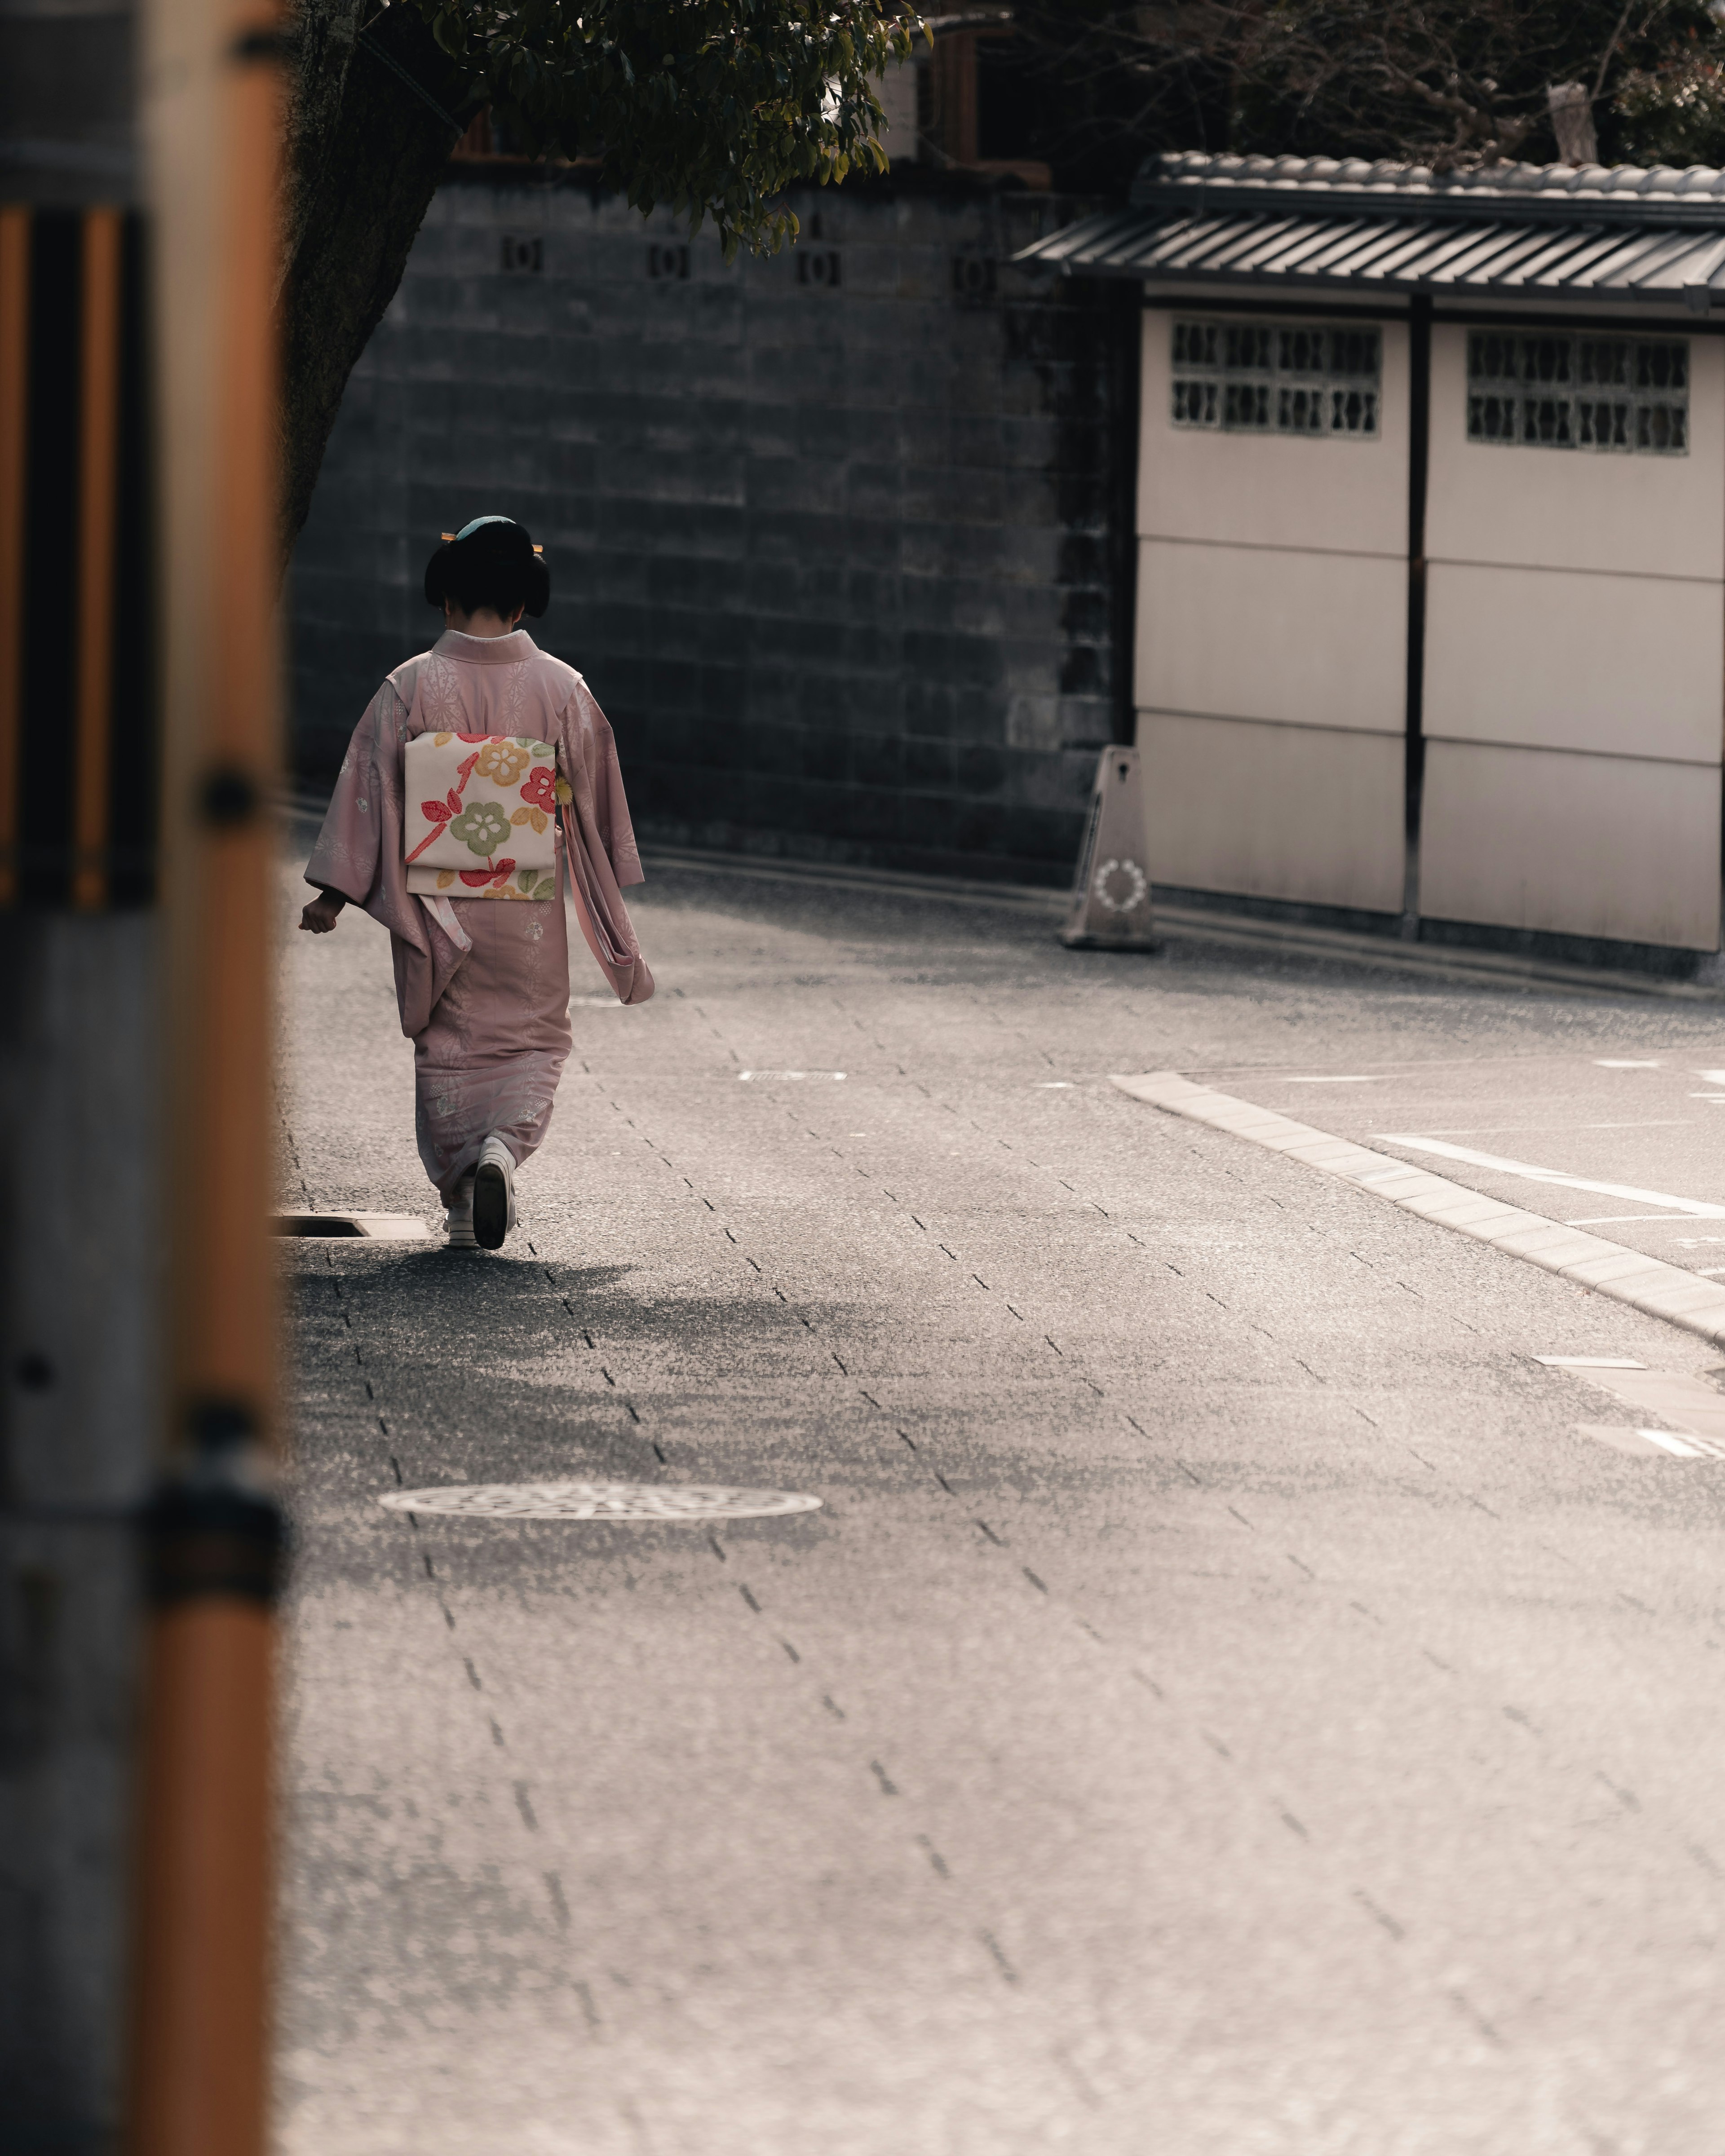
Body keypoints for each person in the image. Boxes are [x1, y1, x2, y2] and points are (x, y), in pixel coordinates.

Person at [300, 515, 652, 1249]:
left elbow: (368, 792)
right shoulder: (563, 689)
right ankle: (500, 1155)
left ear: (446, 600)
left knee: (449, 1046)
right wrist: (610, 865)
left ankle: (462, 1192)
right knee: (530, 1043)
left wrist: (336, 892)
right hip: (526, 911)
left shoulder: (408, 687)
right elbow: (595, 789)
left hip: (440, 908)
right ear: (523, 605)